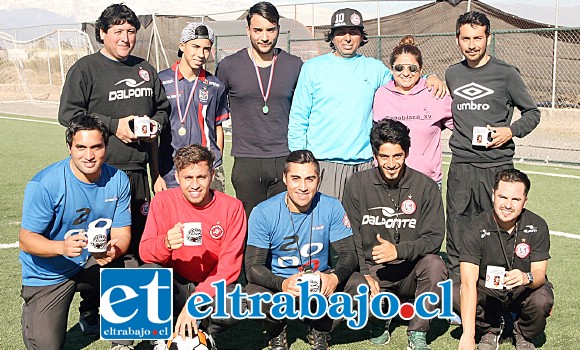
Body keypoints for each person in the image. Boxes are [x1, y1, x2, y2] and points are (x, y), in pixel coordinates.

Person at [288, 8, 446, 200]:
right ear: (332, 36)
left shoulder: (375, 69)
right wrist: (300, 160)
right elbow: (298, 117)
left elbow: (403, 78)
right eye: (341, 32)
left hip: (364, 165)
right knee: (325, 224)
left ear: (361, 36)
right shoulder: (312, 68)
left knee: (363, 226)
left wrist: (430, 77)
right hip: (324, 163)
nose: (347, 38)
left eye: (353, 32)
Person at [58, 3, 170, 263]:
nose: (125, 38)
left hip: (139, 173)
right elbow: (68, 114)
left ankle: (133, 300)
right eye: (118, 31)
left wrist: (156, 125)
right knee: (99, 245)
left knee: (136, 243)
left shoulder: (145, 69)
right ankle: (90, 303)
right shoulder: (85, 69)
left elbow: (163, 110)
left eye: (131, 31)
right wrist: (112, 125)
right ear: (102, 32)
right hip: (101, 174)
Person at [19, 114, 132, 349]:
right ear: (69, 147)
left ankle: (122, 342)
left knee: (131, 265)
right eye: (81, 147)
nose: (89, 155)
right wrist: (61, 247)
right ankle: (35, 307)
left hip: (91, 262)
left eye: (96, 147)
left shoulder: (119, 179)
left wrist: (115, 250)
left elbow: (122, 232)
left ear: (106, 147)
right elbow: (26, 240)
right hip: (50, 273)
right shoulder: (46, 184)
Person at [445, 11, 541, 282]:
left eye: (478, 37)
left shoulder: (506, 74)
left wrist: (511, 130)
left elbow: (533, 112)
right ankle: (459, 292)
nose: (472, 44)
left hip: (496, 167)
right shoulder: (452, 74)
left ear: (489, 37)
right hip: (462, 167)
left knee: (500, 230)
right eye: (466, 38)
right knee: (458, 229)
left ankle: (501, 293)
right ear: (457, 40)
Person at [245, 150, 366, 350]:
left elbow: (349, 254)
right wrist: (282, 284)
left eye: (309, 179)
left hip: (320, 283)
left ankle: (319, 329)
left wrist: (333, 278)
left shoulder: (331, 206)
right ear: (284, 178)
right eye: (296, 178)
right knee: (252, 294)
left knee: (358, 284)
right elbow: (252, 267)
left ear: (319, 180)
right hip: (281, 285)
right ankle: (277, 330)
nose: (302, 187)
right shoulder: (263, 212)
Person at [343, 119, 447, 350]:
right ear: (375, 155)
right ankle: (379, 321)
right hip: (375, 271)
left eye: (397, 156)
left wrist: (398, 251)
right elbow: (352, 237)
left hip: (412, 270)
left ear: (407, 153)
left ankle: (418, 330)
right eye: (384, 157)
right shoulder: (358, 184)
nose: (391, 164)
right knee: (356, 283)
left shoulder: (426, 187)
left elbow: (434, 237)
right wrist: (364, 274)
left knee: (436, 264)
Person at [139, 144, 246, 349]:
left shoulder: (232, 207)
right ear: (177, 177)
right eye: (188, 178)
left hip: (210, 284)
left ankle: (204, 332)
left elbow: (229, 269)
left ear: (212, 175)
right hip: (176, 283)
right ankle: (161, 334)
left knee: (235, 304)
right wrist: (166, 243)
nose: (195, 185)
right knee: (147, 273)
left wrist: (196, 300)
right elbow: (145, 252)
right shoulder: (163, 201)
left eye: (201, 177)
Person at [215, 1, 303, 217]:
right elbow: (212, 113)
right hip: (246, 160)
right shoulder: (229, 66)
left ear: (278, 30)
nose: (264, 37)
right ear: (248, 31)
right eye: (258, 30)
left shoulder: (295, 65)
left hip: (285, 156)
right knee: (251, 226)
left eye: (270, 30)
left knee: (285, 225)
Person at [455, 169, 553, 350]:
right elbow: (469, 283)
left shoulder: (537, 225)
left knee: (542, 297)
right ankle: (490, 331)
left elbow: (539, 273)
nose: (508, 205)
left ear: (525, 201)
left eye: (515, 199)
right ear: (493, 195)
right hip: (489, 290)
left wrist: (526, 278)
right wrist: (468, 335)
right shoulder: (475, 228)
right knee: (455, 293)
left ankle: (522, 333)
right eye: (502, 197)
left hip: (522, 290)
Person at [154, 22, 229, 193]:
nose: (201, 54)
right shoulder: (161, 81)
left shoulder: (215, 86)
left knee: (211, 218)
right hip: (171, 168)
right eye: (195, 46)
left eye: (206, 48)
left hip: (206, 167)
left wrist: (215, 162)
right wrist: (156, 172)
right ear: (182, 46)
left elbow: (218, 128)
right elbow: (154, 132)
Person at [373, 35, 453, 188]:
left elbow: (462, 125)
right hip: (389, 180)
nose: (406, 73)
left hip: (427, 181)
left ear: (421, 69)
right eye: (399, 68)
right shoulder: (381, 95)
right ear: (391, 69)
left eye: (412, 68)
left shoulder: (435, 93)